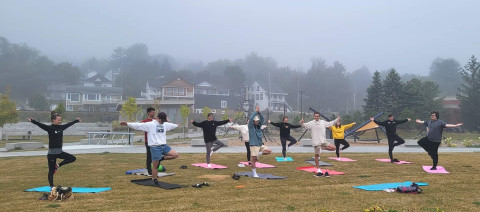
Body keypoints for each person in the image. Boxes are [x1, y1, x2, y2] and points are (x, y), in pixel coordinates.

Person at [121, 112, 179, 185]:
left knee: (175, 155)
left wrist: (177, 125)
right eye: (162, 120)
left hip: (164, 146)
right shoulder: (150, 124)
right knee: (155, 166)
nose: (163, 122)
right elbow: (138, 125)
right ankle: (155, 180)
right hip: (155, 147)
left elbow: (171, 125)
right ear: (158, 118)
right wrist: (127, 124)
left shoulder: (164, 124)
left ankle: (161, 158)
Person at [28, 112, 81, 188]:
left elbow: (69, 124)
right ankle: (52, 187)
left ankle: (58, 165)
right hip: (51, 154)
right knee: (51, 171)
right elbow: (40, 125)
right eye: (58, 120)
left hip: (60, 152)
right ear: (53, 120)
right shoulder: (50, 128)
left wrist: (76, 121)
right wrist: (33, 121)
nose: (60, 121)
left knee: (72, 158)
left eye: (60, 120)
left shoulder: (61, 128)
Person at [301, 112, 338, 177]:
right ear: (314, 116)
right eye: (315, 116)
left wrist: (336, 119)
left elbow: (330, 123)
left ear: (319, 116)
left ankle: (322, 148)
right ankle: (318, 169)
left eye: (317, 116)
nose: (316, 117)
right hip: (316, 142)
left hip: (323, 141)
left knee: (334, 148)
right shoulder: (311, 123)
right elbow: (304, 125)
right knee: (317, 156)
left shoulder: (323, 122)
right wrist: (301, 122)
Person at [248, 105, 272, 177]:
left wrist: (259, 112)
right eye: (256, 121)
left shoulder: (259, 126)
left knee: (269, 151)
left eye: (257, 121)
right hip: (253, 145)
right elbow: (251, 118)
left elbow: (262, 118)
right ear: (253, 121)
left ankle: (259, 153)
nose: (257, 122)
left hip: (259, 144)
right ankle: (254, 173)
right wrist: (255, 112)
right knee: (254, 160)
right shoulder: (251, 126)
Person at [141, 107, 156, 176]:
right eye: (152, 112)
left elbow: (165, 122)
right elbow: (137, 125)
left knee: (157, 155)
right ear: (148, 113)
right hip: (148, 141)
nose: (154, 113)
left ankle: (155, 168)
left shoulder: (156, 120)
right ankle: (149, 170)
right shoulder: (145, 121)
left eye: (154, 112)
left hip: (156, 141)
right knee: (149, 156)